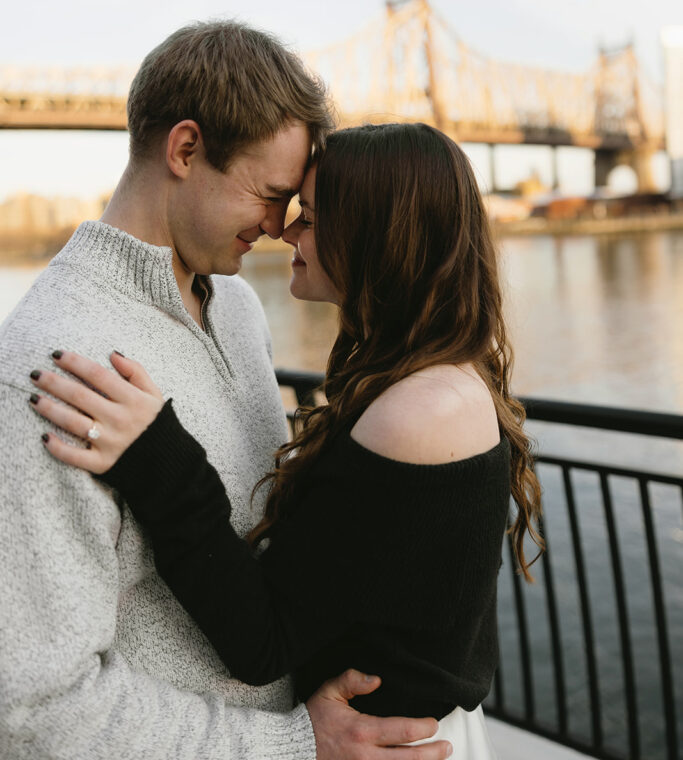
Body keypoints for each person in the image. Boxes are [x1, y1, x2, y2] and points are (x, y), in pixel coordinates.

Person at [0, 26, 451, 760]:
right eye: (271, 196)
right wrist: (291, 745)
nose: (280, 228)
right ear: (184, 150)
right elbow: (30, 705)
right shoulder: (47, 367)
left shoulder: (236, 307)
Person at [29, 123, 544, 758]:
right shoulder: (438, 373)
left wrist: (157, 454)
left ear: (377, 236)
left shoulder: (420, 413)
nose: (288, 230)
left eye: (313, 216)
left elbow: (262, 641)